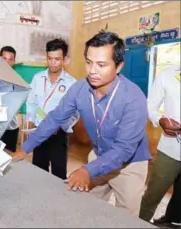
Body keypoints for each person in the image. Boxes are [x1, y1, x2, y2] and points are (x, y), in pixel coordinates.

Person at [12, 32, 151, 217]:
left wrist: (87, 170)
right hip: (99, 156)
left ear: (119, 66)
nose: (92, 70)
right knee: (87, 208)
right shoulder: (79, 89)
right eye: (88, 62)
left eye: (101, 65)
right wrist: (26, 148)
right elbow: (55, 118)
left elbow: (124, 149)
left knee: (126, 218)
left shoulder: (134, 98)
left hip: (130, 164)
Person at [25, 38, 78, 180]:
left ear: (64, 59)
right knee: (37, 171)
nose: (53, 63)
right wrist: (29, 121)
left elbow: (75, 113)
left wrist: (61, 126)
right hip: (39, 131)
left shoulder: (72, 83)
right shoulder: (37, 78)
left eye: (57, 59)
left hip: (58, 135)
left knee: (58, 174)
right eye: (50, 58)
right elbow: (31, 103)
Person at [139, 66, 180, 228]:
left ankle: (172, 220)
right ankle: (138, 223)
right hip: (171, 149)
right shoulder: (167, 75)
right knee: (153, 194)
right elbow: (151, 105)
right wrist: (160, 120)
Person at [0, 46, 20, 153]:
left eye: (10, 59)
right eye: (4, 59)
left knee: (10, 158)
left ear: (14, 61)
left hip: (11, 127)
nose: (7, 62)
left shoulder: (17, 80)